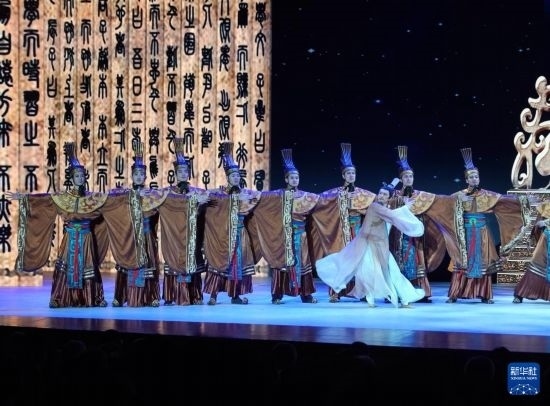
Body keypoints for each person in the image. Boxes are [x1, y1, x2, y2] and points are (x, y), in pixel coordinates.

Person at [9, 142, 147, 308]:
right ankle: (59, 298)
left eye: (82, 176)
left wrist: (131, 195)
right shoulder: (63, 198)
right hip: (70, 238)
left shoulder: (92, 198)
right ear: (72, 178)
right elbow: (44, 200)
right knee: (65, 266)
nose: (80, 179)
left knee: (88, 266)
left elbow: (111, 200)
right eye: (77, 176)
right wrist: (25, 198)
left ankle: (93, 298)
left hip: (86, 237)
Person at [315, 179, 426, 308]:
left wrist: (398, 196)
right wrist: (406, 207)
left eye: (385, 194)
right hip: (369, 246)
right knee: (369, 273)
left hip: (381, 247)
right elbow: (393, 215)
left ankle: (404, 299)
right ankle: (371, 300)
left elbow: (392, 216)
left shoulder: (385, 209)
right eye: (380, 193)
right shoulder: (375, 207)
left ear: (389, 198)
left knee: (392, 272)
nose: (381, 196)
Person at [444, 147, 529, 304]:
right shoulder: (458, 195)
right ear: (466, 180)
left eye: (476, 176)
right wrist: (459, 203)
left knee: (483, 262)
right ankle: (455, 294)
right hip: (465, 232)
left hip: (482, 232)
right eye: (471, 177)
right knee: (462, 261)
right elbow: (445, 206)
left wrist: (524, 201)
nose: (474, 179)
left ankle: (484, 294)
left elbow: (505, 201)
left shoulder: (486, 195)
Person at [250, 148, 319, 304]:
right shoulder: (277, 195)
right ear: (286, 179)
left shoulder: (306, 196)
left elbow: (322, 201)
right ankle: (277, 295)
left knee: (303, 263)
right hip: (283, 236)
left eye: (297, 177)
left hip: (300, 236)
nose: (295, 180)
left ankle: (306, 294)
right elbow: (259, 198)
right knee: (281, 263)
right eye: (292, 177)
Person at [309, 143, 376, 303]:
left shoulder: (363, 194)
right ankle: (336, 293)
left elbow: (375, 206)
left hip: (358, 231)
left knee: (360, 261)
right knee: (341, 259)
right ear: (343, 175)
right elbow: (319, 202)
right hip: (340, 231)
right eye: (348, 173)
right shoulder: (334, 194)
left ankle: (361, 292)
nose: (351, 176)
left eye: (353, 173)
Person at [388, 146, 451, 303]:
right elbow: (384, 206)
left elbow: (440, 202)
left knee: (416, 261)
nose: (409, 179)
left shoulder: (420, 196)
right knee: (398, 261)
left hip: (415, 236)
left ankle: (420, 292)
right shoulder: (394, 196)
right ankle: (398, 292)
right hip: (398, 235)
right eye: (406, 176)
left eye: (411, 176)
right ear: (401, 179)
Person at [202, 141, 261, 305]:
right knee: (218, 263)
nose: (236, 178)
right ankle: (213, 295)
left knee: (237, 265)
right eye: (233, 176)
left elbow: (261, 198)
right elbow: (205, 198)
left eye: (238, 175)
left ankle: (235, 296)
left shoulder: (245, 194)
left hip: (240, 234)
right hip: (222, 233)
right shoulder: (219, 194)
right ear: (227, 177)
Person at [111, 141, 166, 307]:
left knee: (148, 264)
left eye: (142, 174)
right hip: (130, 235)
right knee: (126, 264)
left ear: (146, 177)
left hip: (147, 234)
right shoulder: (125, 195)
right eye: (136, 174)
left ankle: (151, 296)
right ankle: (121, 296)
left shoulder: (152, 195)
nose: (139, 177)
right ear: (132, 176)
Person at [158, 137, 210, 306]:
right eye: (180, 172)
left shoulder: (196, 191)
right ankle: (171, 296)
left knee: (192, 262)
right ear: (175, 174)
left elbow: (211, 199)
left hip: (191, 236)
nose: (183, 174)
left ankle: (194, 295)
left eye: (185, 171)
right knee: (173, 262)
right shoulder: (167, 193)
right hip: (174, 237)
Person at [512, 199, 550, 303]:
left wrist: (546, 222)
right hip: (546, 240)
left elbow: (543, 222)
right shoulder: (546, 204)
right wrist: (533, 236)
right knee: (536, 266)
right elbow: (538, 224)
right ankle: (520, 294)